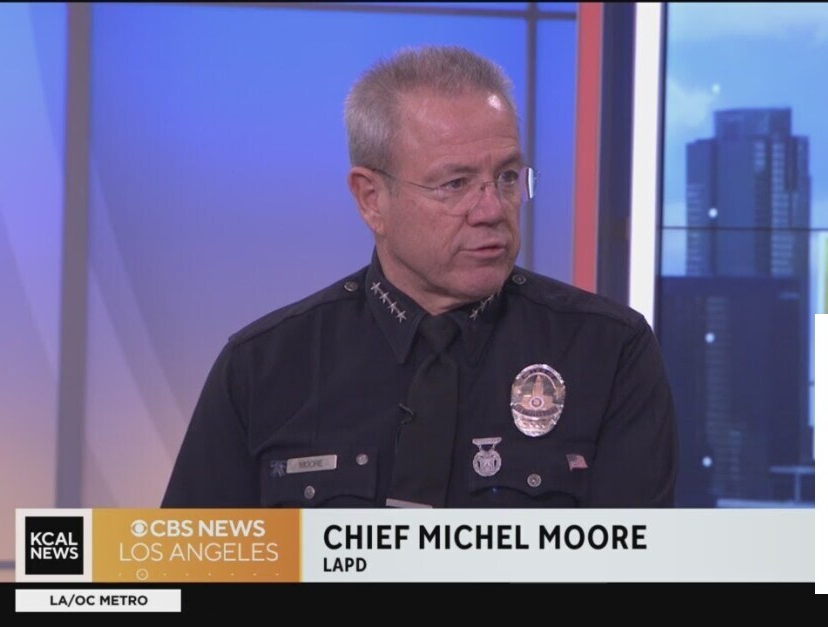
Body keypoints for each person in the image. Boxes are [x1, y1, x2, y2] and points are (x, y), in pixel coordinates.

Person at [162, 45, 677, 508]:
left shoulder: (610, 351)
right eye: (455, 183)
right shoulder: (261, 366)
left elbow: (636, 562)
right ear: (372, 199)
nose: (492, 210)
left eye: (506, 178)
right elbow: (191, 567)